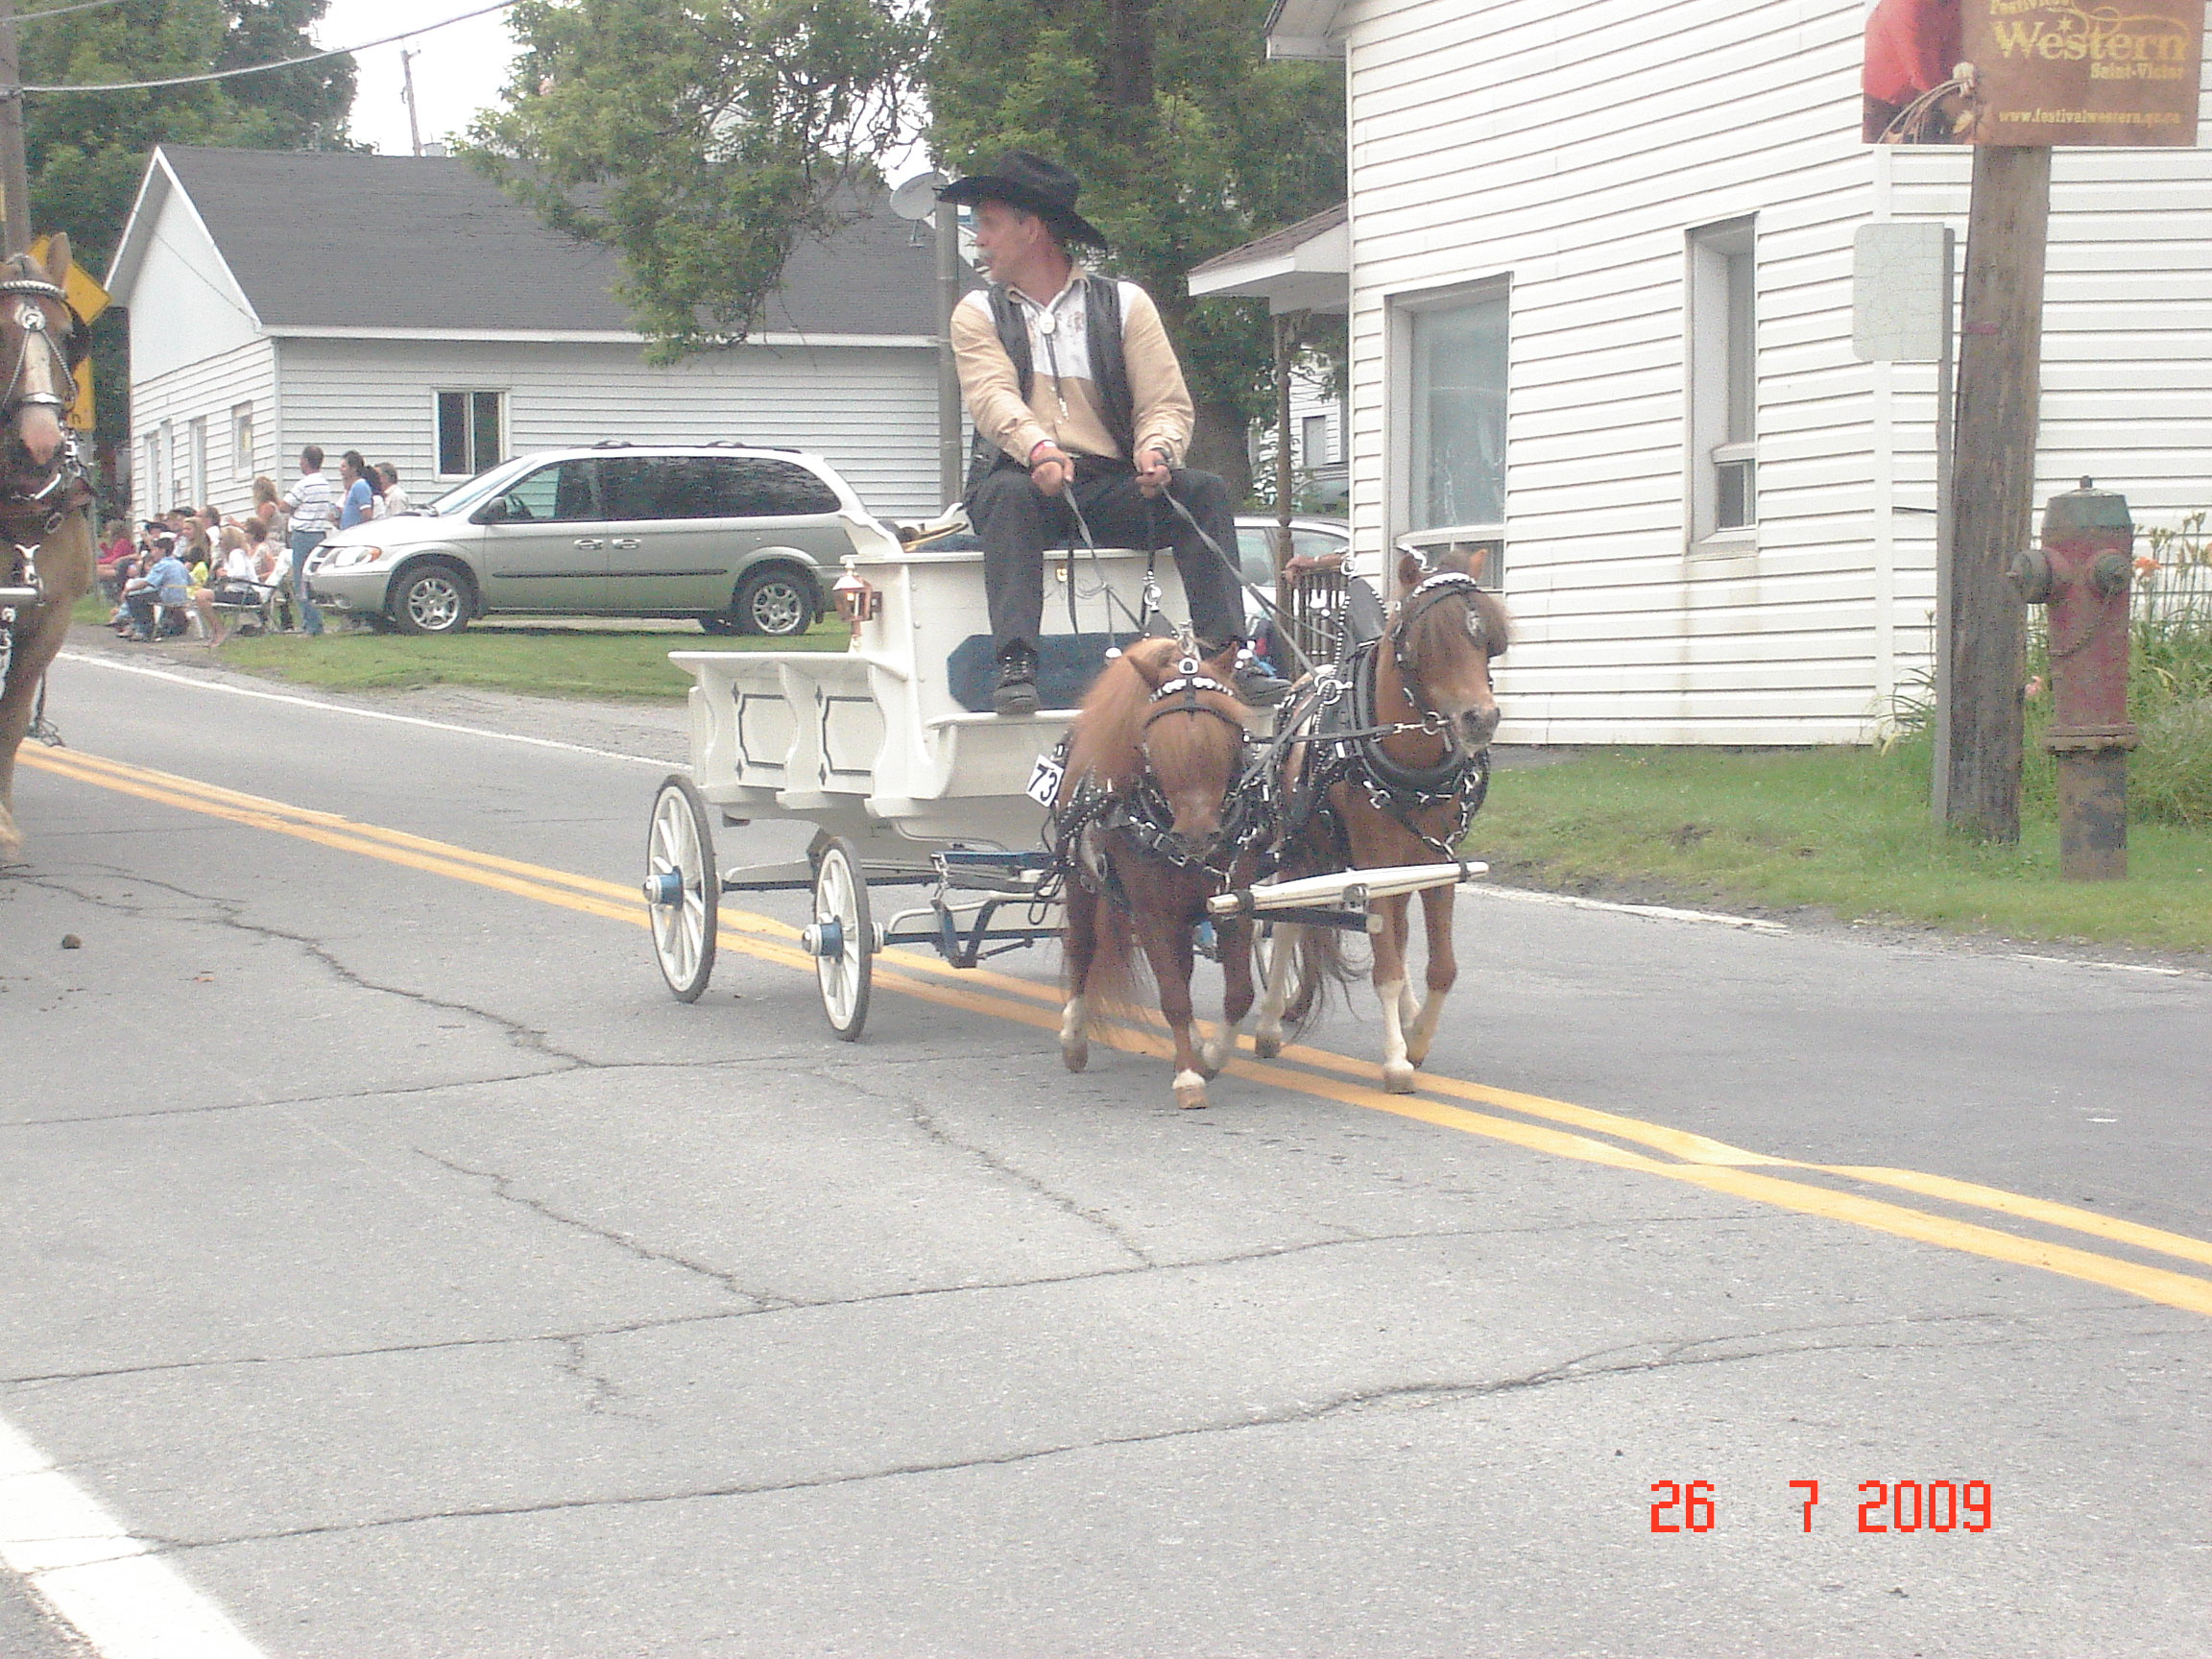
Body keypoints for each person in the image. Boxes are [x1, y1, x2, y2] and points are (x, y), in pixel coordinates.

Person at [941, 152, 1288, 715]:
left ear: (1032, 228)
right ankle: (1016, 662)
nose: (979, 239)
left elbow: (1164, 401)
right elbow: (992, 399)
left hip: (1110, 484)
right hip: (1025, 479)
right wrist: (1038, 449)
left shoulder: (1125, 304)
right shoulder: (977, 312)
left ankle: (1228, 655)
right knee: (1006, 495)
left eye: (989, 223)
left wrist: (1157, 450)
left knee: (1202, 491)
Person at [281, 445, 334, 636]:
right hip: (319, 533)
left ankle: (311, 625)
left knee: (301, 581)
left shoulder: (304, 484)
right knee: (312, 580)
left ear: (305, 461)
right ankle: (314, 622)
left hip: (303, 535)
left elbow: (285, 506)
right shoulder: (324, 484)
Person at [122, 541, 191, 641]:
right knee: (146, 595)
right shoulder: (179, 564)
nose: (152, 553)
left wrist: (128, 589)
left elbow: (146, 582)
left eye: (154, 550)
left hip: (167, 596)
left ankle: (144, 629)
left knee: (134, 597)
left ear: (162, 551)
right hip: (182, 596)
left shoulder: (162, 565)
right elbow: (190, 581)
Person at [338, 450, 381, 528]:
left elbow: (367, 515)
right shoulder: (352, 488)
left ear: (353, 468)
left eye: (343, 467)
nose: (340, 469)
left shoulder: (360, 485)